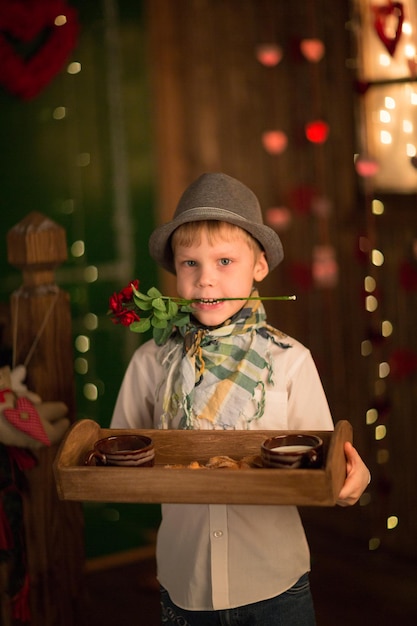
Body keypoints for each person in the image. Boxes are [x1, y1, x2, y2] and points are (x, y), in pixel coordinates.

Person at [110, 172, 370, 626]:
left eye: (225, 261)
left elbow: (322, 460)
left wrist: (349, 480)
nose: (206, 279)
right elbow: (119, 458)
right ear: (175, 269)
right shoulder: (152, 362)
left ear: (260, 266)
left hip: (275, 583)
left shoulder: (289, 361)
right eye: (190, 263)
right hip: (185, 582)